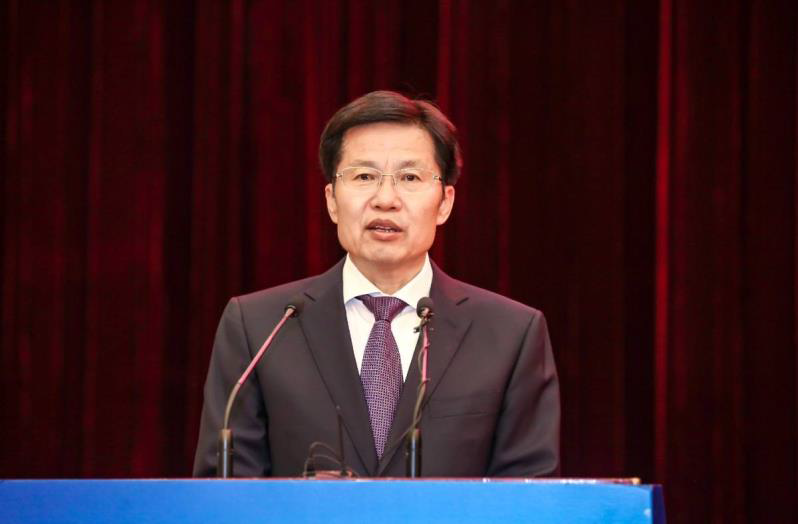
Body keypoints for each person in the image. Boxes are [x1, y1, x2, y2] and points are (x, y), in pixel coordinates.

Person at [193, 90, 560, 477]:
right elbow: (225, 489)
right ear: (332, 200)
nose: (386, 199)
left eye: (410, 177)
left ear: (445, 203)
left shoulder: (510, 334)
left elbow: (529, 494)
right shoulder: (260, 326)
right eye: (364, 176)